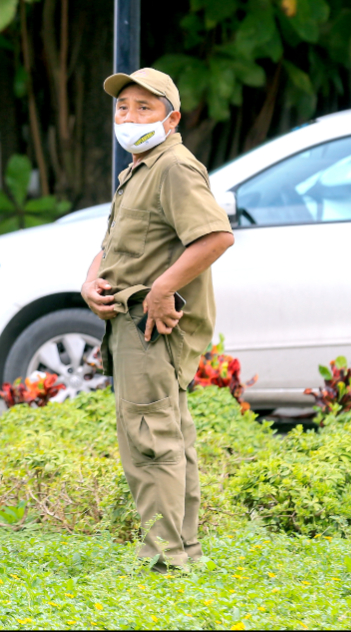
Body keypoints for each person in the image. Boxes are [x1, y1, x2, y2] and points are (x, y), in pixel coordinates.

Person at [80, 67, 235, 572]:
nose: (129, 117)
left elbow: (215, 237)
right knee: (166, 435)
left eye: (144, 108)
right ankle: (181, 549)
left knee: (151, 440)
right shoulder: (140, 167)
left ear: (172, 119)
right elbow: (115, 243)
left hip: (149, 324)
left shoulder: (173, 167)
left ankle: (165, 557)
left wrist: (164, 289)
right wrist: (90, 279)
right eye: (122, 107)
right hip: (129, 319)